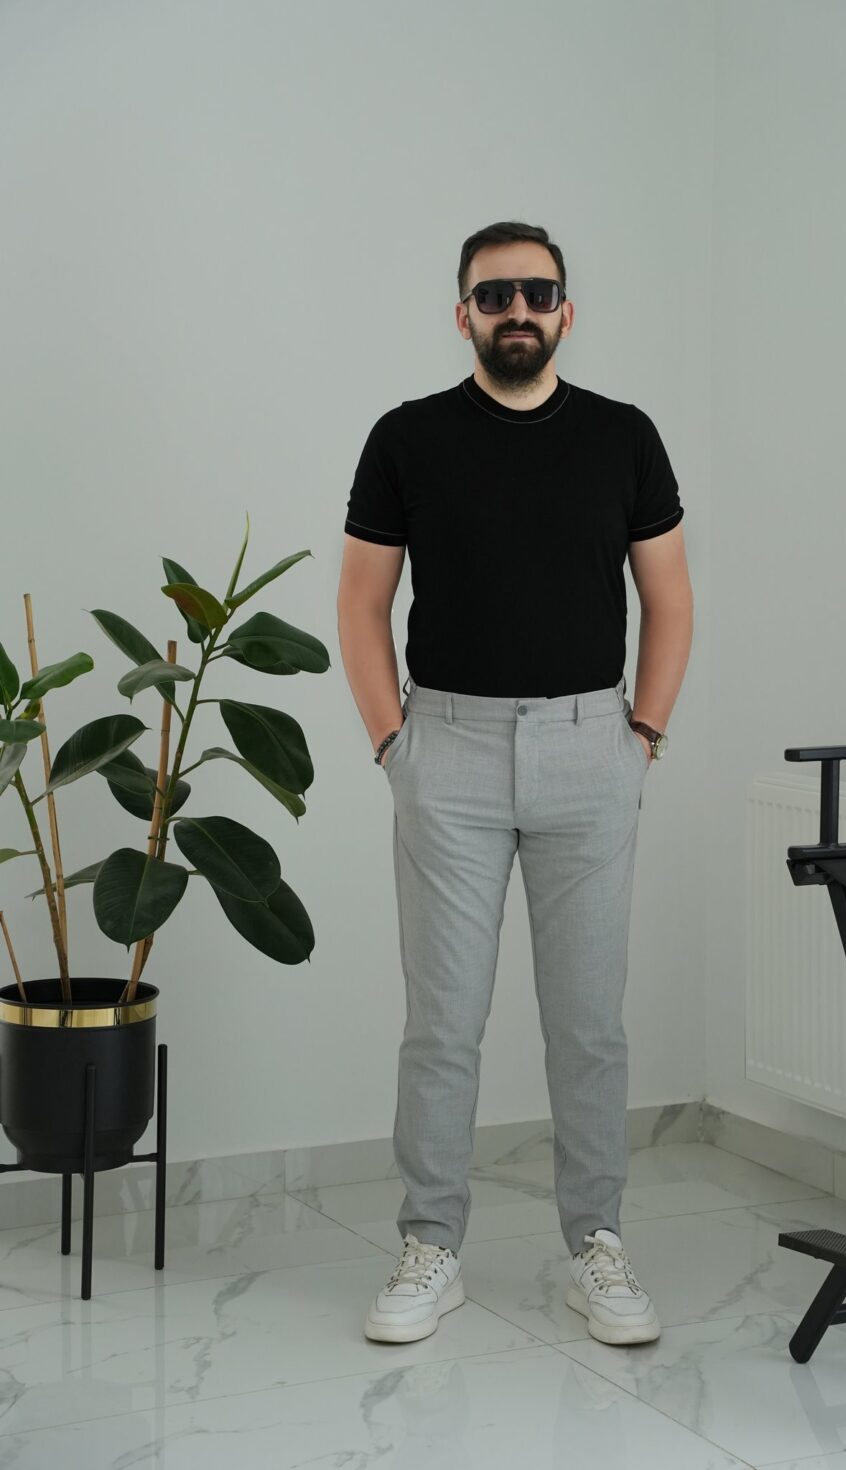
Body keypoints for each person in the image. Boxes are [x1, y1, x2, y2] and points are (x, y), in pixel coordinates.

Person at [337, 220, 694, 1347]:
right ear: (463, 315)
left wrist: (641, 734)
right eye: (494, 296)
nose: (518, 311)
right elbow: (361, 604)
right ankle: (430, 1247)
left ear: (566, 312)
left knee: (588, 1026)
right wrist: (394, 745)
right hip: (446, 750)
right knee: (442, 1025)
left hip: (592, 747)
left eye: (537, 292)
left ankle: (598, 1245)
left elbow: (669, 599)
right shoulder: (406, 438)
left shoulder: (624, 437)